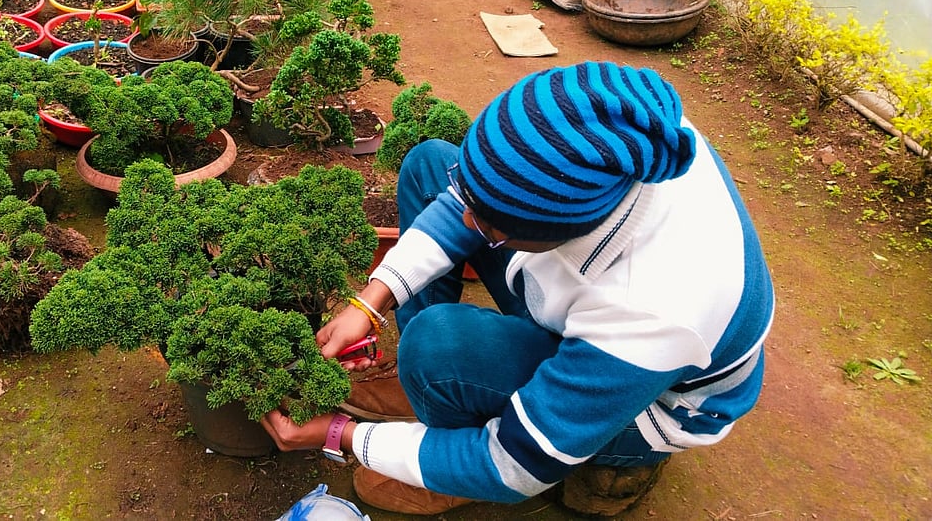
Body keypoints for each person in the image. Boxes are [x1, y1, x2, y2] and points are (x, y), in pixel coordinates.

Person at [260, 61, 775, 516]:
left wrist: (342, 435)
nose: (464, 219)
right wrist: (369, 301)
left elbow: (513, 466)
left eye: (486, 226)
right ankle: (429, 388)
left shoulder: (654, 310)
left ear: (554, 231)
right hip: (589, 306)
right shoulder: (622, 127)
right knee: (429, 164)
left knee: (438, 343)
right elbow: (473, 196)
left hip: (647, 405)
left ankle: (448, 442)